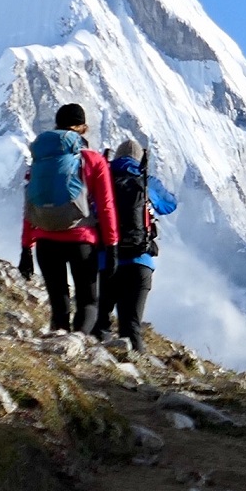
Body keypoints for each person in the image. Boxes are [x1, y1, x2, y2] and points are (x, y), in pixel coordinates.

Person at [18, 103, 118, 336]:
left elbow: (29, 204)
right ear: (83, 128)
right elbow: (106, 206)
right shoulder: (93, 160)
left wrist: (26, 248)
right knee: (88, 302)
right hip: (82, 241)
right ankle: (77, 345)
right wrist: (112, 245)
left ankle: (59, 348)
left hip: (45, 240)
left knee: (59, 304)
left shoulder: (41, 160)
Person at [105, 138, 177, 352]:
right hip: (140, 262)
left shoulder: (105, 177)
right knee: (131, 325)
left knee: (100, 321)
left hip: (107, 260)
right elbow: (170, 204)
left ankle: (99, 365)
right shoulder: (146, 180)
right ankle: (137, 374)